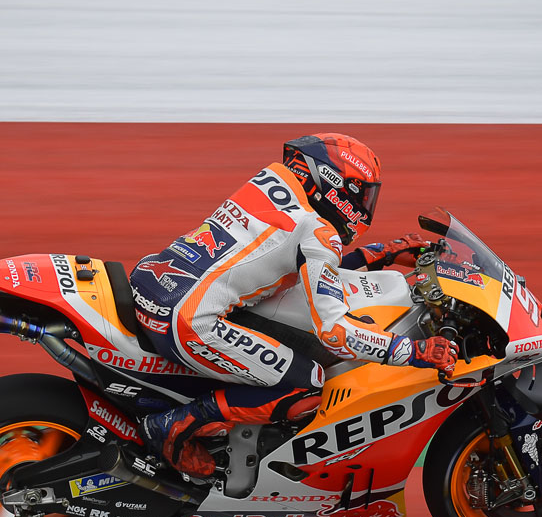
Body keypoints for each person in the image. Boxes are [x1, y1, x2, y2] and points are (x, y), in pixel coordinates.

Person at [129, 133, 459, 478]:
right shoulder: (318, 231)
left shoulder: (270, 183)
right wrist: (412, 351)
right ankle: (173, 427)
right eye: (362, 194)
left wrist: (381, 253)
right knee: (309, 382)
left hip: (156, 279)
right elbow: (334, 333)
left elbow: (294, 262)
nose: (364, 206)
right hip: (189, 319)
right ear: (335, 184)